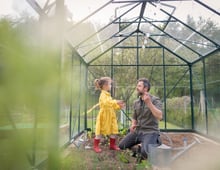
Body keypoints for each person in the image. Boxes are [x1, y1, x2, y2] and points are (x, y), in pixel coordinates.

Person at [119, 78, 163, 159]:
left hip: (150, 132)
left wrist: (149, 103)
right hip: (138, 131)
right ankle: (141, 146)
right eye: (137, 85)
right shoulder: (136, 102)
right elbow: (134, 117)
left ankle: (156, 141)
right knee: (122, 146)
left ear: (145, 88)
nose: (137, 87)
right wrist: (133, 124)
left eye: (139, 86)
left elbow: (159, 116)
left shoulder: (155, 100)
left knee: (145, 152)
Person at [93, 77, 125, 153]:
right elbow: (107, 103)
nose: (111, 86)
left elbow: (111, 104)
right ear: (105, 85)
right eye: (110, 84)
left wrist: (118, 106)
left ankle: (112, 145)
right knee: (100, 131)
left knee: (113, 130)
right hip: (104, 116)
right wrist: (116, 101)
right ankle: (96, 146)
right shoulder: (103, 94)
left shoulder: (108, 95)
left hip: (111, 115)